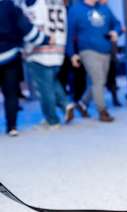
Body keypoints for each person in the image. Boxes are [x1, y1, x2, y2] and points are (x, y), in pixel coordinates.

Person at [21, 0, 76, 129]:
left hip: (40, 51)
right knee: (52, 82)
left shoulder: (37, 4)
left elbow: (35, 27)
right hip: (58, 49)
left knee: (44, 90)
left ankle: (52, 120)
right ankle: (65, 104)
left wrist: (26, 50)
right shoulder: (59, 4)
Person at [0, 0, 51, 136]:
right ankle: (12, 127)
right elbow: (26, 28)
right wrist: (44, 39)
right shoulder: (10, 6)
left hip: (9, 55)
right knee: (10, 94)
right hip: (10, 56)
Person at [66, 0, 122, 122]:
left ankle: (82, 104)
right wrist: (72, 54)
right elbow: (69, 34)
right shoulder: (75, 10)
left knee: (99, 82)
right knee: (98, 80)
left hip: (105, 50)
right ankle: (102, 111)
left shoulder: (104, 9)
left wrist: (116, 32)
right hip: (87, 50)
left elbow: (117, 24)